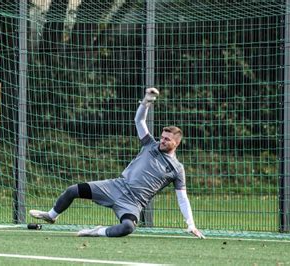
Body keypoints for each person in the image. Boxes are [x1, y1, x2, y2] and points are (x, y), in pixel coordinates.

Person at [29, 88, 205, 238]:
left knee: (127, 228)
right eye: (162, 137)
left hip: (133, 203)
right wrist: (146, 101)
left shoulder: (177, 169)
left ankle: (97, 232)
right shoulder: (150, 144)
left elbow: (182, 198)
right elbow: (139, 121)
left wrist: (191, 224)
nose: (162, 141)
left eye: (167, 140)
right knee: (73, 190)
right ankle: (51, 215)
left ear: (177, 143)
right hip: (116, 186)